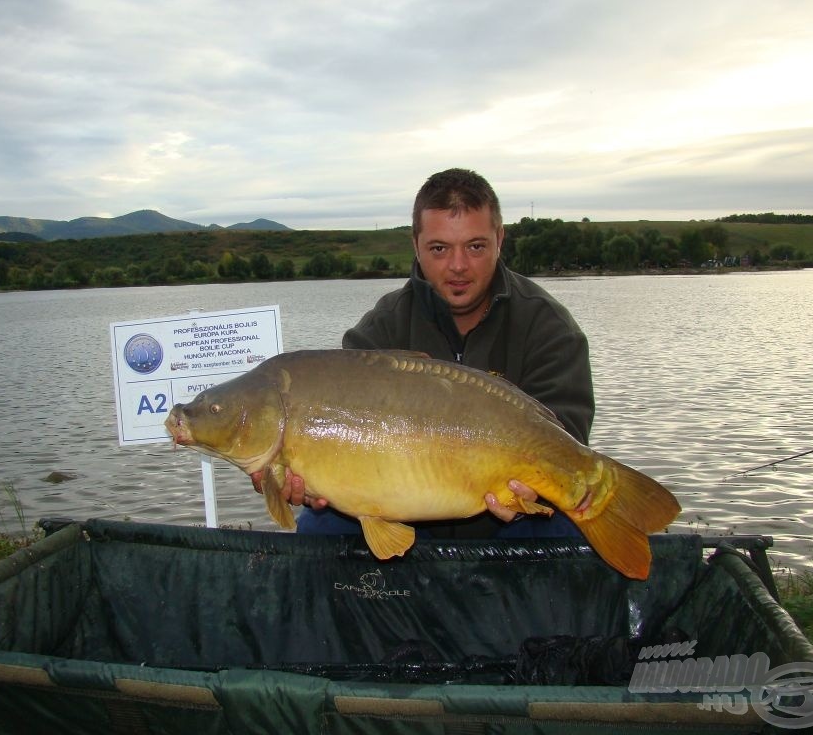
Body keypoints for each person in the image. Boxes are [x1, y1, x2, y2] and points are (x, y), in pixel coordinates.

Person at [252, 168, 595, 541]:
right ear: (416, 246)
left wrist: (533, 491)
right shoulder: (382, 329)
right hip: (407, 519)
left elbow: (568, 442)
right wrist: (314, 487)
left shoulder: (549, 327)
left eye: (476, 246)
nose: (459, 265)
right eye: (439, 249)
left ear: (500, 239)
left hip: (516, 519)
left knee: (567, 525)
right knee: (321, 528)